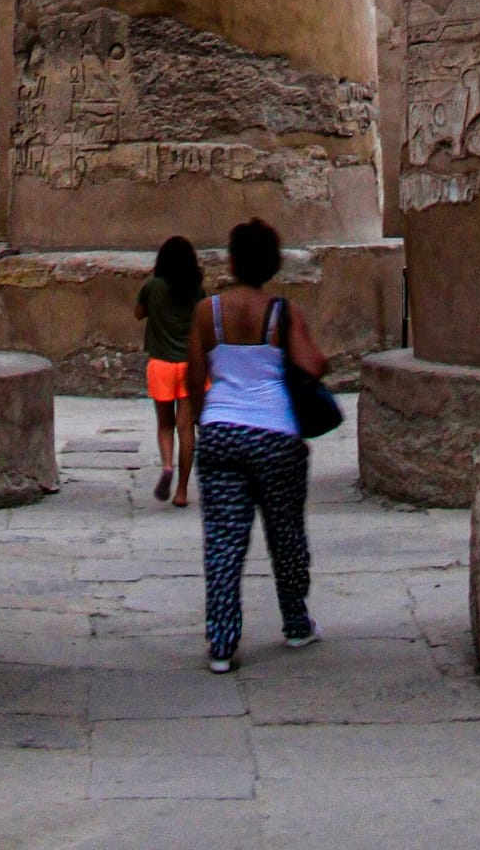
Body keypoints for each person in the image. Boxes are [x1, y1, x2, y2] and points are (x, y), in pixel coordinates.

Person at [186, 217, 326, 670]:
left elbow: (194, 377)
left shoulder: (207, 313)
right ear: (273, 263)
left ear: (231, 261)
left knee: (224, 542)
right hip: (276, 435)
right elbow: (313, 365)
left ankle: (222, 642)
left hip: (222, 430)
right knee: (285, 536)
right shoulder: (283, 313)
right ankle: (295, 621)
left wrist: (204, 417)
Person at [136, 235, 202, 505]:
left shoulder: (152, 287)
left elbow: (139, 313)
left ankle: (166, 466)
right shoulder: (196, 290)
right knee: (186, 428)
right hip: (189, 365)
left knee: (165, 424)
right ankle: (182, 491)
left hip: (161, 363)